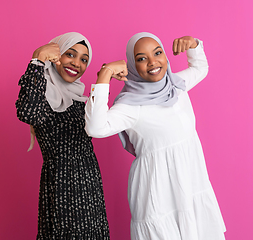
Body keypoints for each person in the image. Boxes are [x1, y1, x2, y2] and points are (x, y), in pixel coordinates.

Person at [85, 32, 226, 240]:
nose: (153, 62)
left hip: (191, 184)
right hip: (157, 194)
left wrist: (194, 45)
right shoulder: (130, 105)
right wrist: (104, 75)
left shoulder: (176, 86)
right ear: (133, 65)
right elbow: (95, 128)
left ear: (166, 56)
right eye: (141, 58)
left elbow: (200, 68)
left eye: (157, 53)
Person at [16, 32, 110, 239]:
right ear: (56, 55)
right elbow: (28, 113)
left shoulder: (78, 97)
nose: (76, 63)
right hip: (62, 185)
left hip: (90, 183)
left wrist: (105, 79)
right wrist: (38, 59)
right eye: (70, 54)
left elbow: (99, 124)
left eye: (84, 59)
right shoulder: (42, 91)